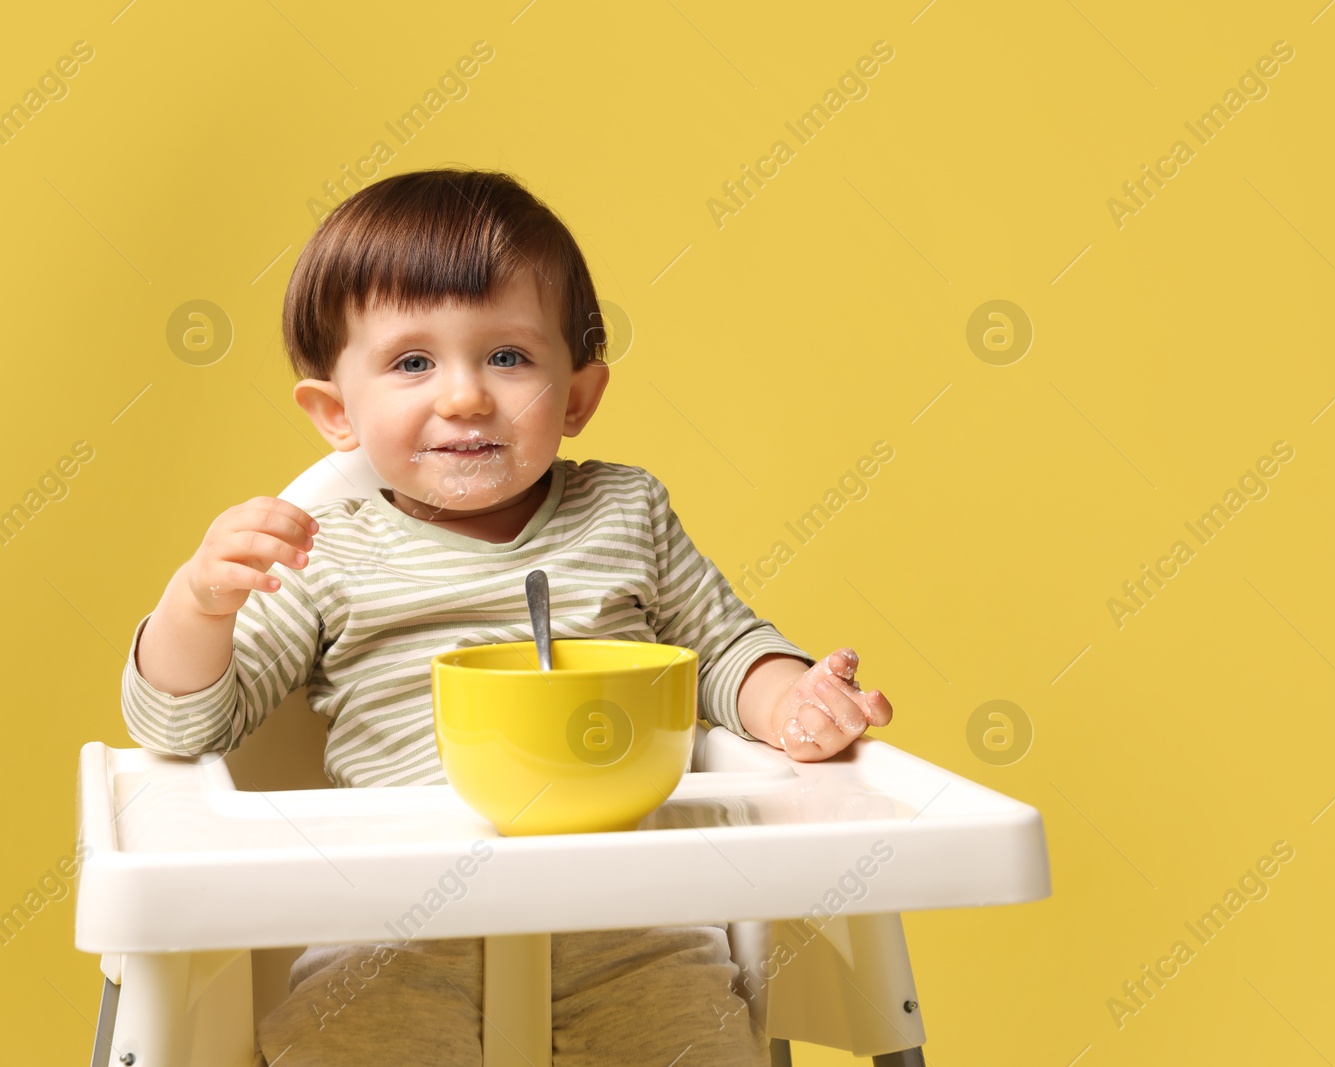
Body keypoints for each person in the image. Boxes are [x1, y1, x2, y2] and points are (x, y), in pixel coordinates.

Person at [120, 167, 895, 1067]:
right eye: (413, 362)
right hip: (394, 927)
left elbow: (724, 654)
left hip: (630, 921)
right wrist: (198, 604)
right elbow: (185, 722)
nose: (464, 397)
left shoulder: (624, 513)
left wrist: (794, 702)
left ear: (577, 396)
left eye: (508, 357)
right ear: (336, 412)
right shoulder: (323, 549)